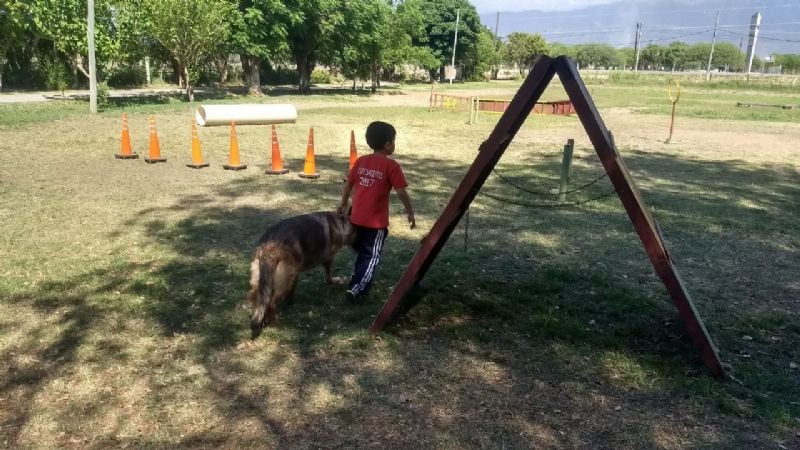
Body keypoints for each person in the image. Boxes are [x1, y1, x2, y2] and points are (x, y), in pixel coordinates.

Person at [338, 121, 415, 302]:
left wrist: (343, 204)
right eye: (393, 141)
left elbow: (348, 183)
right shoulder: (391, 166)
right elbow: (401, 191)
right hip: (376, 224)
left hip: (355, 218)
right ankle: (357, 288)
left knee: (362, 250)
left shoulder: (361, 161)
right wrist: (410, 212)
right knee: (370, 256)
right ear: (388, 144)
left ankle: (358, 276)